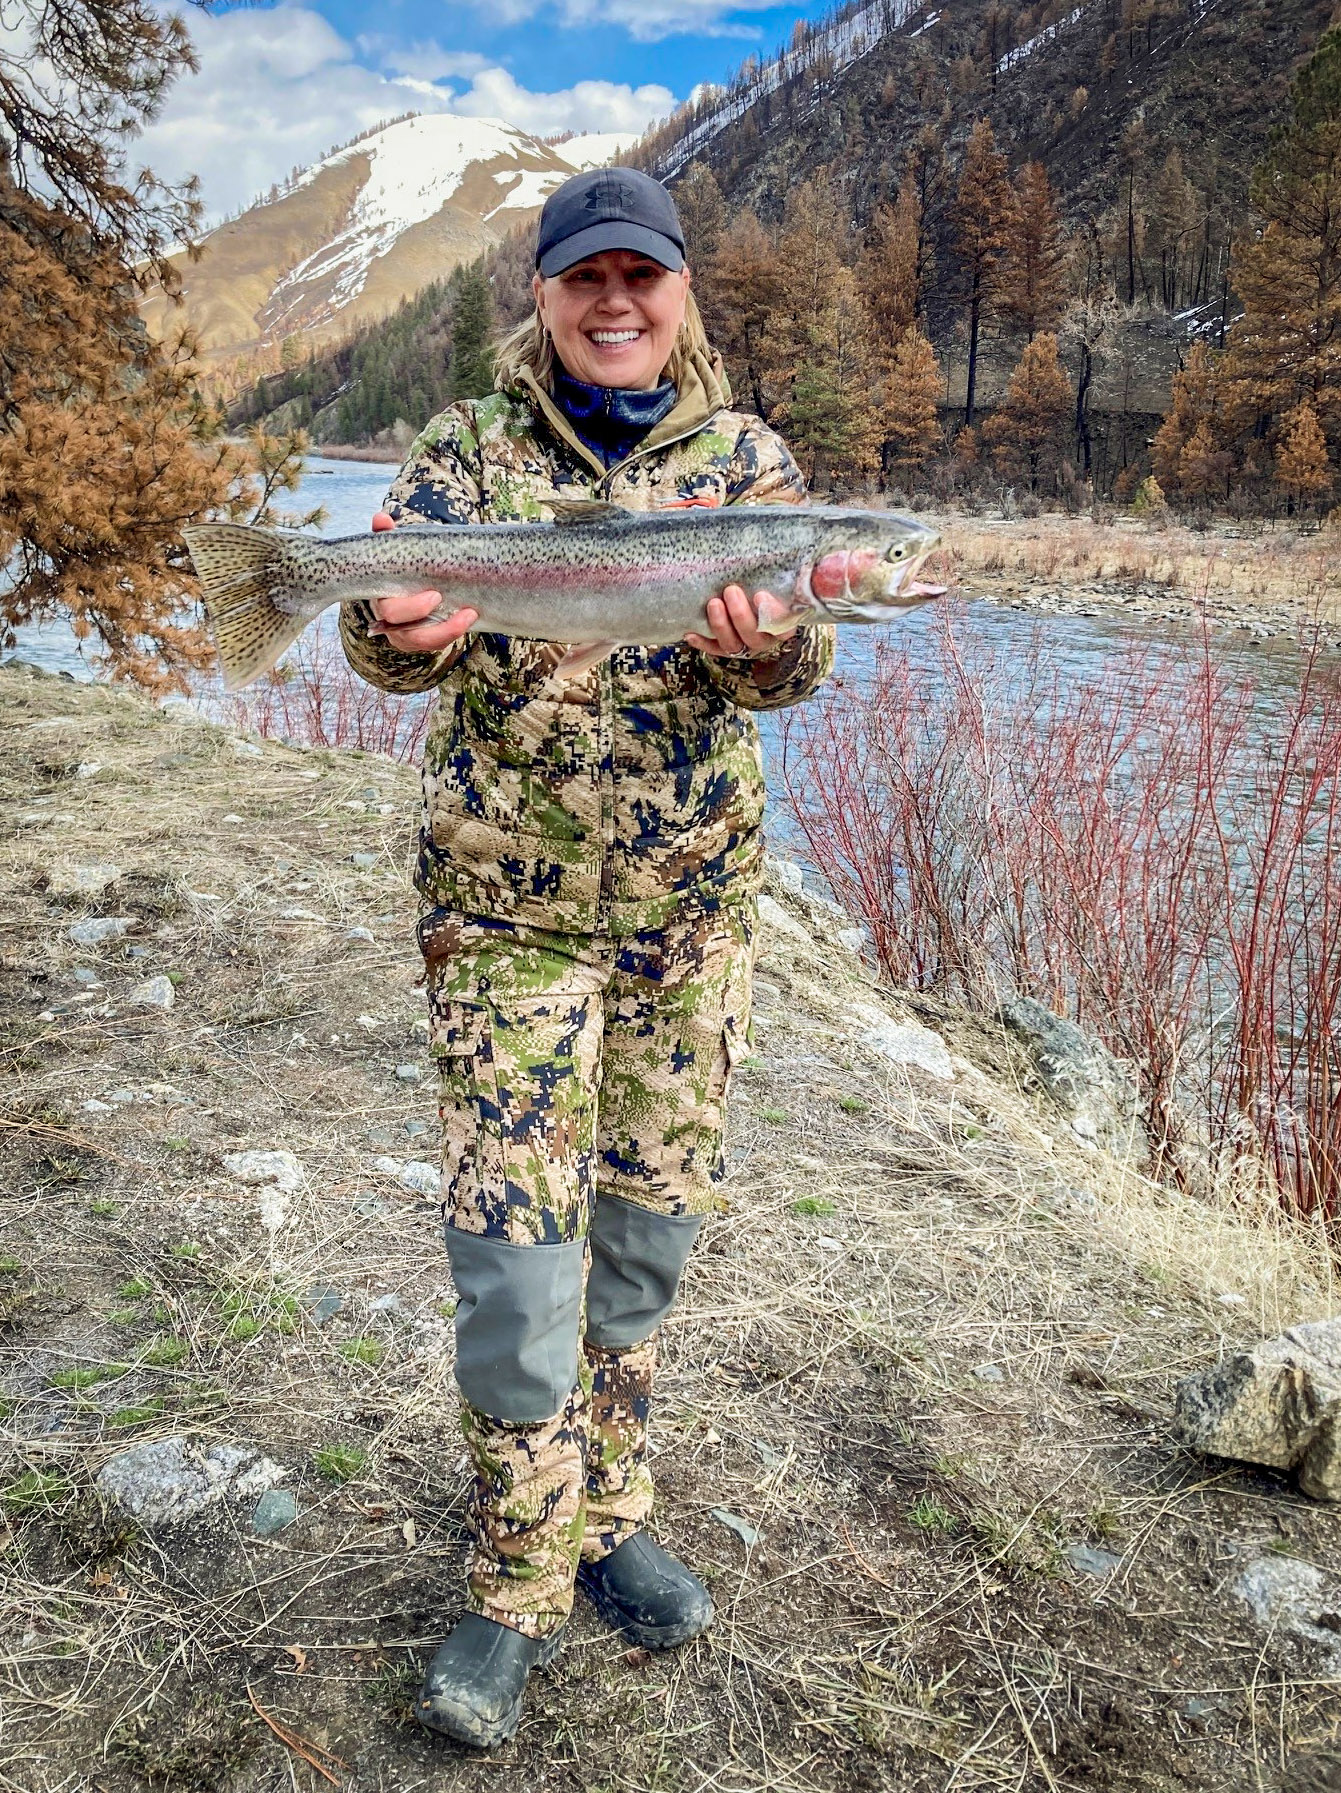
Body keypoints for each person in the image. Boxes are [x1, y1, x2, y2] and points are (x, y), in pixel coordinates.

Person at [341, 166, 834, 1749]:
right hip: (503, 919)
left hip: (690, 924)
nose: (613, 304)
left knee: (638, 1243)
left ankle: (605, 1511)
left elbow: (796, 665)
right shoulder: (467, 454)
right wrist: (380, 628)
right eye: (583, 279)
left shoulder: (748, 464)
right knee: (515, 1262)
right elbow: (385, 633)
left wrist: (774, 647)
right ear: (542, 296)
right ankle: (511, 1580)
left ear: (681, 291)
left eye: (642, 276)